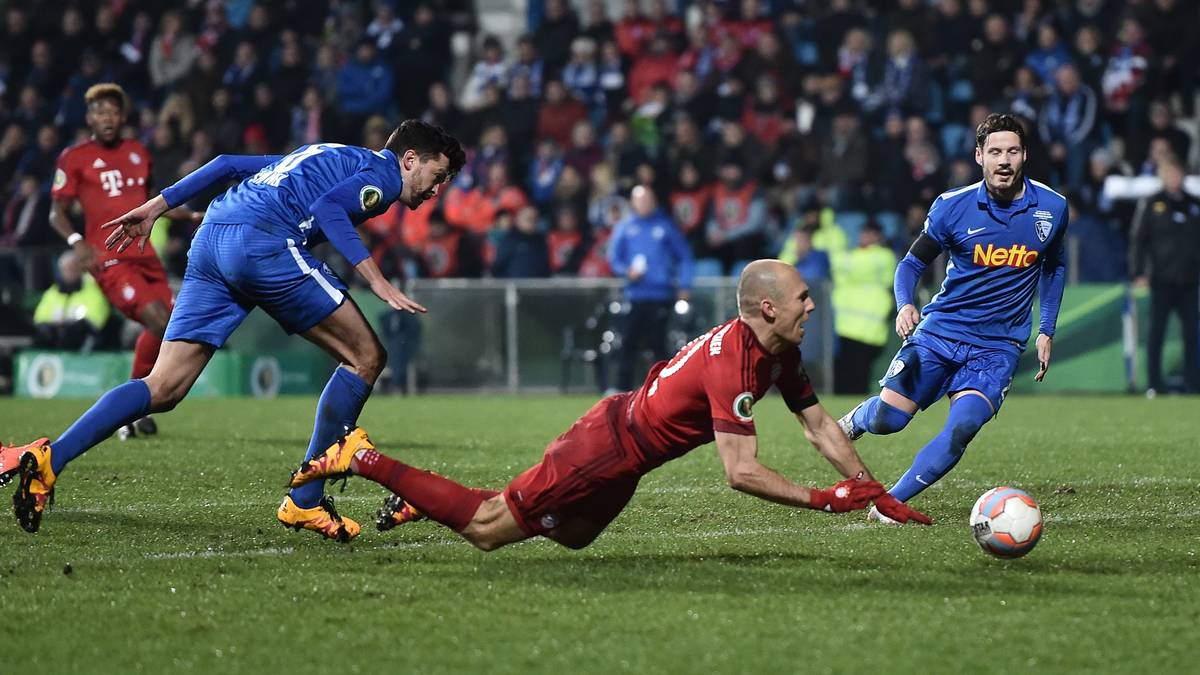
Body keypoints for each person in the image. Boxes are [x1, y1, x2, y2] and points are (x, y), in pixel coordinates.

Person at [0, 120, 465, 539]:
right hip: (263, 241)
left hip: (213, 237)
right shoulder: (383, 177)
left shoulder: (330, 154)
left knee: (163, 386)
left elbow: (225, 164)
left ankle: (50, 458)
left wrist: (157, 206)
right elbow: (329, 209)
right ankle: (305, 498)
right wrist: (376, 280)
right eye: (438, 175)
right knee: (366, 357)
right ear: (409, 159)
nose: (436, 189)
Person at [289, 260, 930, 554]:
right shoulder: (734, 362)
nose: (811, 305)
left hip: (625, 456)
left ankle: (428, 501)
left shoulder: (779, 352)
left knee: (571, 535)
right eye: (802, 298)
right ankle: (362, 456)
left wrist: (872, 492)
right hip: (608, 446)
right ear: (769, 308)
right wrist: (825, 500)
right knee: (487, 531)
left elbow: (817, 424)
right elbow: (740, 472)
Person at [836, 113, 1068, 522]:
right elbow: (911, 264)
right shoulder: (952, 206)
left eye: (1012, 151)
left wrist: (1046, 329)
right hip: (939, 334)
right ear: (979, 156)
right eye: (995, 151)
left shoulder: (1052, 208)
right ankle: (858, 419)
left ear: (1024, 155)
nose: (1004, 160)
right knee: (890, 420)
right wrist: (905, 304)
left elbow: (1054, 267)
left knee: (962, 428)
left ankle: (891, 503)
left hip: (997, 347)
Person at [49, 84, 175, 441]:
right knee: (158, 320)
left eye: (114, 112)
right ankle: (130, 410)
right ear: (90, 118)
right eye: (100, 112)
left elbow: (150, 202)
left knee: (165, 327)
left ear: (123, 118)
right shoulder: (74, 157)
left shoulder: (138, 152)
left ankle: (132, 410)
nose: (107, 118)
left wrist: (191, 213)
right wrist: (76, 242)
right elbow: (56, 213)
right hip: (109, 257)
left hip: (146, 256)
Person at [608, 185, 693, 392]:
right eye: (640, 200)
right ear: (633, 203)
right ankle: (622, 389)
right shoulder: (625, 227)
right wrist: (626, 271)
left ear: (654, 202)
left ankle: (663, 390)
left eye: (648, 199)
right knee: (627, 342)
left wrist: (684, 285)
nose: (644, 204)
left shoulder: (665, 226)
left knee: (659, 344)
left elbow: (685, 257)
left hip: (661, 295)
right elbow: (614, 259)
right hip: (635, 295)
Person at [1130, 158, 1200, 395]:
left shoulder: (1194, 204)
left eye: (1176, 173)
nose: (1173, 178)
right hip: (1160, 279)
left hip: (1189, 280)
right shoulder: (1152, 203)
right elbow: (1139, 239)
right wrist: (1139, 272)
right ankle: (1154, 384)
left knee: (1192, 335)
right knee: (1156, 334)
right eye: (1169, 174)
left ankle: (1193, 384)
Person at [832, 221, 896, 394]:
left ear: (878, 236)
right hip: (847, 324)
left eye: (869, 233)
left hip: (869, 327)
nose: (864, 236)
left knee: (860, 371)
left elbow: (851, 267)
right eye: (864, 232)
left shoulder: (883, 256)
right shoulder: (855, 255)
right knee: (846, 369)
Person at [33, 250, 111, 350]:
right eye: (67, 269)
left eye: (74, 267)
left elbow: (96, 320)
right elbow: (40, 318)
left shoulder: (92, 290)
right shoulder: (52, 292)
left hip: (81, 338)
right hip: (55, 338)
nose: (70, 271)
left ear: (81, 269)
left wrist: (71, 325)